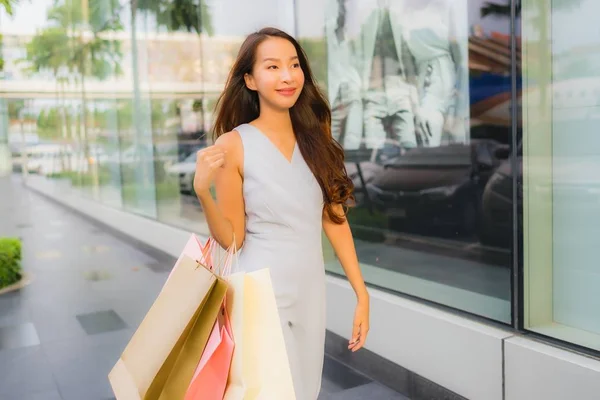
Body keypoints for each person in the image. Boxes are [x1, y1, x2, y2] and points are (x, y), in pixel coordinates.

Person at [192, 27, 370, 400]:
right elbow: (233, 239)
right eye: (272, 67)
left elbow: (334, 220)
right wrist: (203, 194)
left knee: (305, 390)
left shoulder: (316, 140)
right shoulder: (234, 144)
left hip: (309, 290)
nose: (287, 76)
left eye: (293, 65)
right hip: (259, 290)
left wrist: (361, 292)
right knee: (270, 392)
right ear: (250, 79)